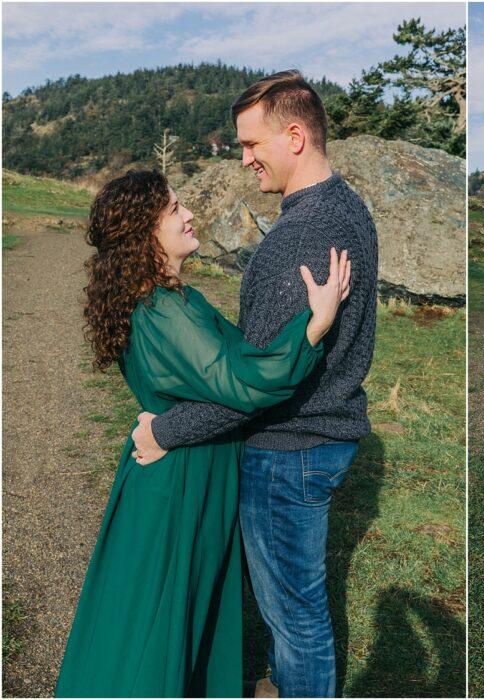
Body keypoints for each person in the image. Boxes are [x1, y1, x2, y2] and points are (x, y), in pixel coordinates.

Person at [129, 70, 379, 698]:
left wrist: (166, 429)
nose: (243, 160)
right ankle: (279, 683)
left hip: (288, 449)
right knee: (294, 605)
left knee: (297, 618)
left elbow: (254, 387)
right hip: (327, 432)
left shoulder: (293, 240)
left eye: (250, 145)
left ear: (294, 136)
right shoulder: (348, 207)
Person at [56, 169, 350, 697]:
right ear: (144, 232)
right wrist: (315, 325)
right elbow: (244, 382)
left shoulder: (161, 297)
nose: (189, 214)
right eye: (173, 210)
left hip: (182, 467)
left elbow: (228, 366)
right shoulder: (164, 308)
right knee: (162, 620)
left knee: (173, 612)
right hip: (180, 483)